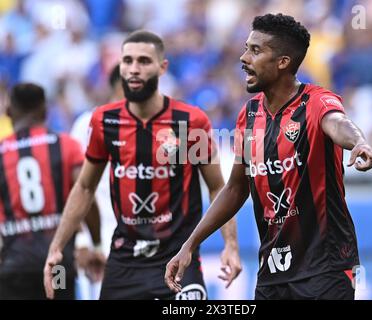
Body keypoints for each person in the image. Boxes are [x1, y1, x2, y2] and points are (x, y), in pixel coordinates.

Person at [165, 13, 372, 300]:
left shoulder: (316, 102)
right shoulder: (249, 115)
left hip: (325, 270)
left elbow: (337, 122)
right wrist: (190, 245)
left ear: (283, 62)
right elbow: (236, 188)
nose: (244, 58)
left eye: (255, 50)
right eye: (246, 47)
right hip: (272, 275)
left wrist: (358, 143)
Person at [44, 30, 242, 300]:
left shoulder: (189, 122)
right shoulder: (105, 122)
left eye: (144, 61)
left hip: (179, 260)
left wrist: (230, 244)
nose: (134, 69)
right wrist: (58, 245)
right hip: (125, 263)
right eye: (128, 61)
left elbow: (218, 187)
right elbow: (85, 187)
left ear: (162, 68)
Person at [0, 83, 101, 299]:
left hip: (13, 267)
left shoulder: (1, 152)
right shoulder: (66, 145)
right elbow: (86, 196)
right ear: (45, 111)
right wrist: (96, 242)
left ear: (9, 112)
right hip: (58, 266)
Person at [70, 64, 122, 299]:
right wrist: (81, 239)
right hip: (99, 242)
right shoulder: (88, 124)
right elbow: (76, 186)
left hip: (142, 243)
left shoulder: (153, 126)